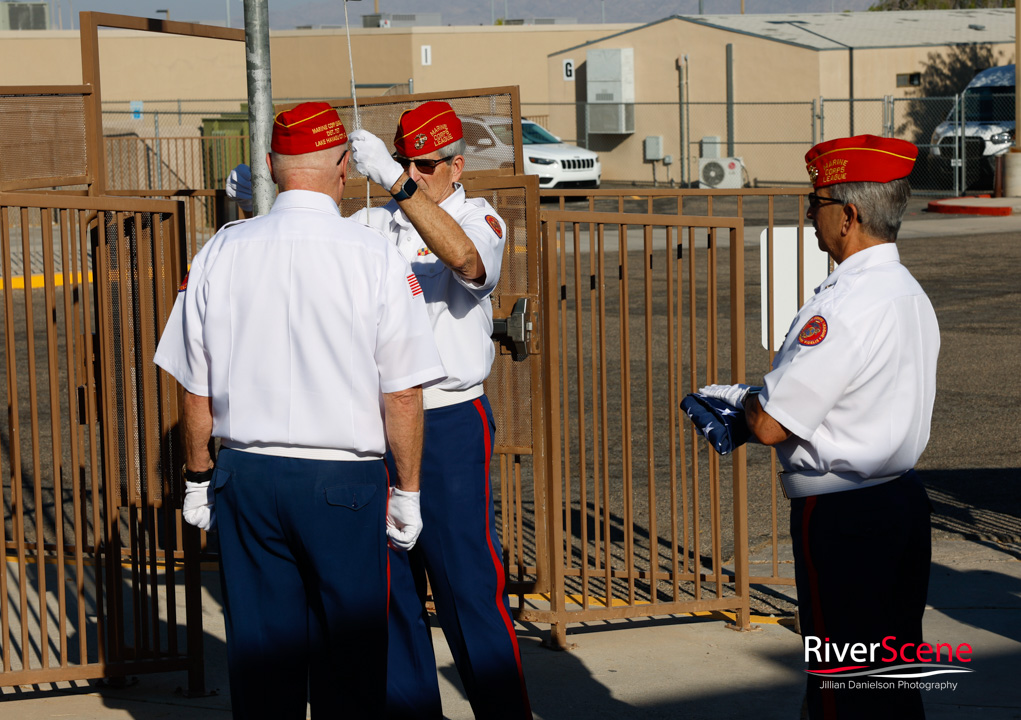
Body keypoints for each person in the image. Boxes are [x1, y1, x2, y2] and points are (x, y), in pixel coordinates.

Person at [154, 101, 444, 720]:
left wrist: (199, 478)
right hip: (344, 481)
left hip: (249, 477)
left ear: (270, 166)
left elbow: (193, 386)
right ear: (344, 166)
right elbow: (402, 393)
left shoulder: (221, 251)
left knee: (263, 664)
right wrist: (410, 491)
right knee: (351, 663)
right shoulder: (374, 256)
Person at [700, 135, 939, 719]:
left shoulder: (844, 304)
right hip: (900, 499)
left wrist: (740, 402)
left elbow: (776, 424)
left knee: (844, 688)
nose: (811, 215)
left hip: (844, 517)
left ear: (849, 216)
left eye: (817, 201)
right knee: (893, 679)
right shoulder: (906, 291)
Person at [348, 102, 533, 720]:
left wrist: (399, 186)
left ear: (457, 166)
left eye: (427, 165)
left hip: (450, 417)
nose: (415, 173)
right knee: (391, 590)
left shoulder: (478, 216)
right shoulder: (375, 223)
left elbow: (467, 263)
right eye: (407, 163)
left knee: (467, 583)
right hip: (380, 419)